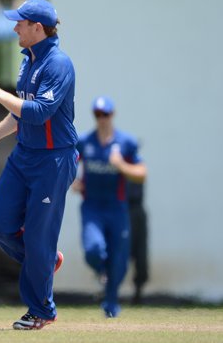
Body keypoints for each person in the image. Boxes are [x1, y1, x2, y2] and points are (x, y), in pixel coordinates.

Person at [0, 0, 78, 330]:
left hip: (53, 160)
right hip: (24, 156)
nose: (15, 27)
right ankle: (45, 259)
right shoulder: (28, 59)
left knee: (38, 239)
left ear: (37, 28)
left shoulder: (58, 63)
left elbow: (39, 111)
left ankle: (41, 310)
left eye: (21, 22)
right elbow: (21, 110)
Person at [72, 96, 147, 318]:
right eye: (97, 114)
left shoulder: (126, 143)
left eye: (105, 114)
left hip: (117, 207)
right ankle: (101, 271)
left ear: (112, 115)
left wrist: (121, 165)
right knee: (93, 249)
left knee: (119, 261)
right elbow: (67, 164)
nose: (101, 118)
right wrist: (72, 182)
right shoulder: (85, 142)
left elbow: (142, 174)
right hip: (92, 207)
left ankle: (111, 304)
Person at [126, 179, 148, 305]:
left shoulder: (135, 163)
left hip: (136, 211)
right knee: (117, 253)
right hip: (120, 210)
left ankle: (138, 291)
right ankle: (109, 291)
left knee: (140, 254)